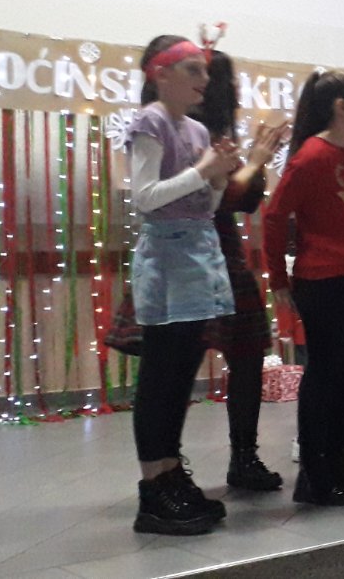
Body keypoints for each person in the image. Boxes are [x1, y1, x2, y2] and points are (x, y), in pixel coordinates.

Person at [125, 35, 241, 535]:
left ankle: (172, 471)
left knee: (182, 373)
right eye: (192, 70)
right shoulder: (150, 121)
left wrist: (217, 180)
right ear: (161, 74)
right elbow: (145, 197)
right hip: (168, 260)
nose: (204, 80)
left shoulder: (195, 129)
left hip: (198, 255)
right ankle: (153, 487)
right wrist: (203, 171)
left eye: (205, 70)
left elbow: (204, 207)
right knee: (161, 374)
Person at [263, 69, 344, 506]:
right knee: (326, 377)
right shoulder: (311, 156)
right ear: (341, 107)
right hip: (323, 280)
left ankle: (337, 462)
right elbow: (275, 216)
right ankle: (315, 475)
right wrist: (278, 279)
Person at [188, 51, 288, 492]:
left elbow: (243, 201)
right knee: (181, 362)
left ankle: (244, 457)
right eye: (226, 80)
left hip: (225, 249)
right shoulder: (190, 130)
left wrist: (257, 161)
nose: (232, 89)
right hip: (194, 254)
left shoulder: (218, 133)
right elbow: (221, 198)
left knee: (247, 355)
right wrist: (256, 161)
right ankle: (167, 470)